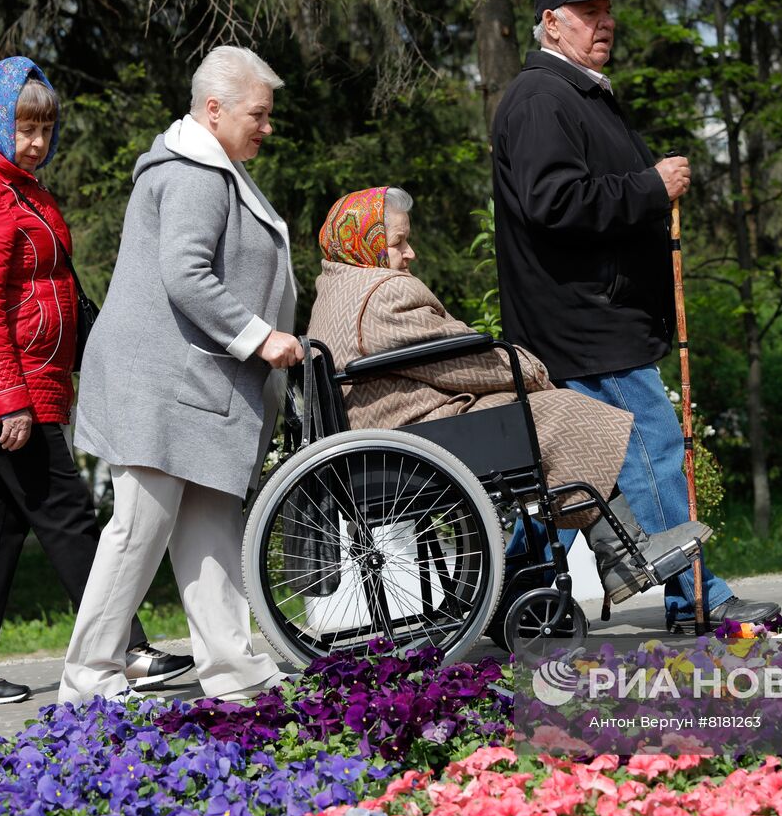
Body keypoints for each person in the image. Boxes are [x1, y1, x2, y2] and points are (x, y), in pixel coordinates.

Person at [489, 0, 780, 631]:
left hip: (586, 319)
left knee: (576, 470)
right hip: (587, 323)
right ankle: (697, 598)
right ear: (552, 24)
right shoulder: (542, 97)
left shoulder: (576, 94)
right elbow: (553, 203)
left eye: (607, 11)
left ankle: (512, 596)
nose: (605, 22)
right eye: (587, 12)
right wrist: (650, 187)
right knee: (649, 450)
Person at [0, 56, 192, 709]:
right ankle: (123, 650)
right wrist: (8, 400)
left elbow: (61, 294)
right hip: (5, 387)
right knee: (68, 515)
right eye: (25, 128)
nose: (37, 142)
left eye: (46, 129)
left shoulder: (23, 189)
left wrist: (113, 352)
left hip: (30, 380)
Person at [304, 186, 709, 604]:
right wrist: (529, 369)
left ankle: (610, 557)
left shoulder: (335, 291)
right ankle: (621, 555)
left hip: (388, 442)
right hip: (416, 442)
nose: (410, 254)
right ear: (364, 242)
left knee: (544, 417)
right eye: (398, 243)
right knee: (561, 412)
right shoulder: (383, 291)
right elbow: (462, 361)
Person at [59, 46, 299, 706]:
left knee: (210, 524)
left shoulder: (213, 163)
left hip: (192, 384)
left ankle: (233, 668)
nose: (267, 127)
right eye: (259, 114)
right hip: (160, 384)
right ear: (214, 109)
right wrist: (261, 337)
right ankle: (86, 682)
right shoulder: (194, 172)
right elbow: (186, 274)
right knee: (139, 528)